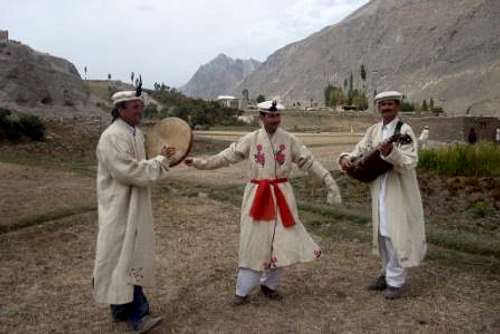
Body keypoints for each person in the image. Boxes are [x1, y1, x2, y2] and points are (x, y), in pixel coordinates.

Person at [185, 100, 342, 305]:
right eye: (270, 116)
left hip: (283, 196)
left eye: (277, 116)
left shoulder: (289, 139)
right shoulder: (251, 139)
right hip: (258, 195)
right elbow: (226, 157)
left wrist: (329, 182)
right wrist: (199, 162)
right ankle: (242, 291)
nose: (274, 119)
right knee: (253, 242)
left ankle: (270, 285)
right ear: (261, 117)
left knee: (282, 241)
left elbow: (309, 161)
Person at [93, 88, 175, 333]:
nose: (140, 110)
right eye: (135, 107)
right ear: (120, 110)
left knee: (126, 255)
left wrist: (159, 159)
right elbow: (128, 171)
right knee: (126, 255)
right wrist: (160, 161)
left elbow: (139, 167)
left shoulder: (136, 134)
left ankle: (119, 310)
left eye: (141, 106)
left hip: (134, 203)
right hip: (119, 207)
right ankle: (139, 316)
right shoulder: (111, 137)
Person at [338, 91, 426, 300]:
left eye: (390, 104)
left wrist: (390, 153)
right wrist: (346, 158)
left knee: (395, 233)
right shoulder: (374, 130)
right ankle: (386, 273)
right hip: (379, 190)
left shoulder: (404, 130)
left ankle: (396, 282)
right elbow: (360, 149)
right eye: (382, 104)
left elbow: (410, 161)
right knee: (382, 234)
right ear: (378, 107)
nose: (386, 107)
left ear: (397, 106)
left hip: (398, 191)